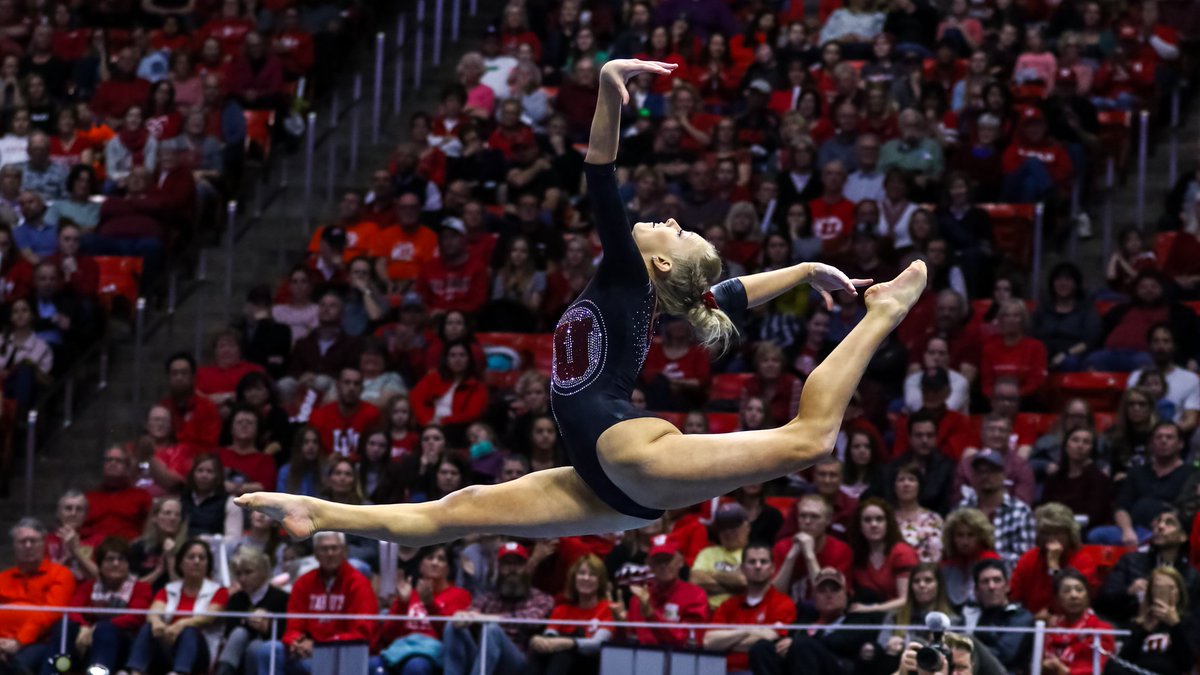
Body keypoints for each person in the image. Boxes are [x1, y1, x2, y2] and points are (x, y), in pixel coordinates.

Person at [237, 59, 927, 554]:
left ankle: (883, 313)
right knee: (458, 510)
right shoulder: (642, 297)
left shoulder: (629, 271)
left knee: (809, 440)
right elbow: (723, 296)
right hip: (607, 480)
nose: (669, 221)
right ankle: (315, 510)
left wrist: (607, 90)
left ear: (657, 263)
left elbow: (601, 176)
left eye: (678, 232)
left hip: (627, 454)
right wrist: (805, 267)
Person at [250, 532, 382, 675]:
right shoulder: (303, 583)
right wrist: (296, 642)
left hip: (344, 654)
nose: (330, 553)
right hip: (309, 653)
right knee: (268, 650)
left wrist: (319, 646)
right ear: (316, 554)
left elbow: (361, 633)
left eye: (334, 548)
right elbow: (293, 627)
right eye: (324, 549)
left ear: (344, 552)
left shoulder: (359, 584)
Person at [41, 537, 152, 675]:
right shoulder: (88, 587)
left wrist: (95, 629)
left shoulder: (141, 588)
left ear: (129, 564)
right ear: (99, 564)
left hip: (121, 645)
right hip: (85, 642)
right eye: (109, 559)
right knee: (64, 625)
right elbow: (73, 610)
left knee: (104, 629)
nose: (116, 564)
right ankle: (54, 672)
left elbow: (136, 617)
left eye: (121, 559)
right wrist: (84, 627)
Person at [442, 541, 554, 674]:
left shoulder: (541, 598)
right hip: (483, 657)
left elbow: (532, 619)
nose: (512, 569)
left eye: (517, 564)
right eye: (507, 564)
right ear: (499, 568)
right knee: (452, 625)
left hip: (518, 663)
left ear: (525, 567)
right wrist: (463, 616)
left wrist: (485, 618)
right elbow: (473, 612)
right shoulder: (488, 597)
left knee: (492, 629)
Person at [124, 539, 227, 675]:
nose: (196, 561)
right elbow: (153, 612)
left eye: (202, 558)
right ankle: (135, 672)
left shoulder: (218, 591)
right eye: (191, 557)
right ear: (181, 563)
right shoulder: (168, 589)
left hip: (199, 654)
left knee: (190, 630)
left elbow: (207, 618)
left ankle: (180, 672)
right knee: (149, 627)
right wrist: (156, 622)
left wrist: (181, 624)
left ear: (208, 564)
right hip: (169, 648)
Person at [747, 567, 875, 675]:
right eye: (822, 590)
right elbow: (785, 642)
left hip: (837, 667)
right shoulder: (804, 618)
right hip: (799, 665)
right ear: (814, 597)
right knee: (762, 647)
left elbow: (840, 641)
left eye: (835, 589)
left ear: (847, 594)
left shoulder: (857, 618)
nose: (828, 595)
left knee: (803, 645)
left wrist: (798, 642)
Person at [703, 542, 796, 674]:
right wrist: (748, 630)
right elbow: (709, 642)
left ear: (772, 568)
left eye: (763, 562)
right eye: (752, 562)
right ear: (743, 569)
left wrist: (728, 641)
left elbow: (770, 640)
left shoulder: (783, 602)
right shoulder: (728, 605)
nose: (758, 566)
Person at [379, 545, 471, 675]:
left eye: (441, 559)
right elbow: (387, 637)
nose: (435, 563)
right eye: (430, 558)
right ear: (420, 565)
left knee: (415, 666)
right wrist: (402, 604)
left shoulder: (459, 595)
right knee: (374, 665)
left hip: (436, 656)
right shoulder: (408, 594)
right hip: (401, 652)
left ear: (448, 568)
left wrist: (429, 604)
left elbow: (451, 635)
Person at [1098, 509, 1200, 625]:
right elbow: (1103, 601)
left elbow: (1194, 616)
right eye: (1158, 521)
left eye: (1169, 523)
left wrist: (1175, 621)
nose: (1160, 526)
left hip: (1175, 634)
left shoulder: (1192, 576)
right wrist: (1128, 592)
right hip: (1132, 628)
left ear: (1183, 536)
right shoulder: (1130, 561)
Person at [0, 518, 75, 674]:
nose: (28, 546)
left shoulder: (60, 574)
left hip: (37, 643)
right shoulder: (2, 578)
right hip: (2, 642)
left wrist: (19, 641)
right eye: (22, 542)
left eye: (33, 541)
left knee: (15, 665)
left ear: (44, 544)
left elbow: (51, 613)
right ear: (14, 546)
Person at [1104, 422, 1196, 547]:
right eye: (1159, 437)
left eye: (1169, 437)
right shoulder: (1137, 472)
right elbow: (1121, 507)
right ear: (1152, 443)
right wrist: (1127, 531)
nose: (1163, 441)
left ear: (1180, 444)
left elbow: (1187, 512)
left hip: (1167, 532)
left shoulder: (1192, 474)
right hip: (1133, 531)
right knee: (1096, 535)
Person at [528, 554, 615, 675]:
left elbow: (597, 644)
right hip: (561, 665)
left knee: (565, 652)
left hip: (591, 664)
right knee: (540, 652)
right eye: (581, 573)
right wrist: (536, 640)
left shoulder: (608, 608)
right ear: (574, 578)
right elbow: (549, 638)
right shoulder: (561, 610)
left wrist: (569, 642)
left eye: (592, 574)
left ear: (600, 581)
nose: (586, 578)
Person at [1010, 504, 1099, 618]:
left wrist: (1054, 568)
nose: (1051, 538)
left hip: (1071, 622)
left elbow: (1077, 604)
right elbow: (1014, 596)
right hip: (1031, 621)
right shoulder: (1028, 559)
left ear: (1069, 534)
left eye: (1057, 532)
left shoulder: (1083, 560)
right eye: (1046, 533)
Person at [1110, 566, 1198, 675]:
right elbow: (1120, 664)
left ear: (1179, 592)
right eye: (1158, 588)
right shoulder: (1138, 624)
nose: (1162, 593)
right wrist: (1144, 630)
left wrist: (1175, 625)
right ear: (1150, 593)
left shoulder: (1189, 622)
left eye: (1169, 588)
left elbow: (1187, 664)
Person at [956, 450, 1036, 569]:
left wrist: (987, 560)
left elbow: (1026, 560)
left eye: (991, 471)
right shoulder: (962, 509)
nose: (985, 476)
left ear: (1003, 475)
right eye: (980, 472)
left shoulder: (1021, 512)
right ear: (972, 476)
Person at [216, 548, 289, 675]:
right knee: (239, 633)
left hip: (269, 653)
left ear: (262, 571)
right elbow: (230, 633)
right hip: (238, 653)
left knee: (255, 647)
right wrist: (250, 621)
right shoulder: (235, 599)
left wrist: (268, 626)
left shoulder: (281, 598)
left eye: (248, 572)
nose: (242, 579)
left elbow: (286, 632)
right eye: (238, 574)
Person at [627, 536, 709, 647]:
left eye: (668, 559)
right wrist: (619, 625)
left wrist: (651, 615)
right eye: (657, 561)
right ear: (649, 565)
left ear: (680, 561)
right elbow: (627, 643)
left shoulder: (696, 595)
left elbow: (685, 642)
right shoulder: (637, 599)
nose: (663, 565)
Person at [772, 494, 854, 605]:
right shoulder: (782, 547)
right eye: (802, 516)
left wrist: (809, 556)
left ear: (828, 520)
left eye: (814, 517)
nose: (807, 521)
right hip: (786, 615)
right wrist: (790, 558)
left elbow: (828, 602)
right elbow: (774, 597)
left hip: (824, 617)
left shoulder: (841, 550)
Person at [1041, 569, 1113, 675]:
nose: (1074, 595)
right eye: (1066, 591)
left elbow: (1101, 667)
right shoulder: (1049, 630)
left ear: (1088, 596)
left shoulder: (1101, 629)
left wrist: (1067, 672)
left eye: (1079, 590)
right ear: (1058, 599)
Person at [82, 445, 153, 544]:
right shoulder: (88, 498)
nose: (113, 463)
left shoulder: (141, 496)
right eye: (108, 460)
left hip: (129, 552)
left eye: (118, 461)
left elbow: (152, 529)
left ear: (127, 467)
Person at [307, 367, 381, 458]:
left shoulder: (372, 414)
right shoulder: (319, 416)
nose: (351, 388)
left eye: (356, 384)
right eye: (347, 382)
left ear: (362, 389)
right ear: (337, 386)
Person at [691, 503, 751, 609]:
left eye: (733, 526)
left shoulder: (754, 552)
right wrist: (735, 586)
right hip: (709, 612)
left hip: (742, 612)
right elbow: (695, 580)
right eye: (723, 527)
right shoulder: (707, 553)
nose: (728, 532)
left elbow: (746, 582)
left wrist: (709, 574)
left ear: (747, 526)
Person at [940, 509, 1002, 608]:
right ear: (952, 537)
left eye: (970, 535)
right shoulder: (947, 564)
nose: (965, 542)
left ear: (981, 536)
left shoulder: (990, 561)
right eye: (960, 535)